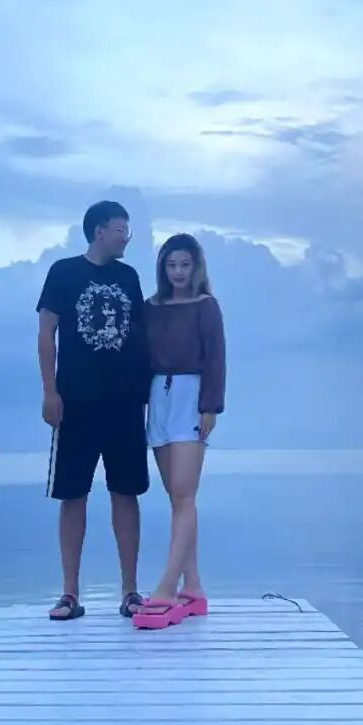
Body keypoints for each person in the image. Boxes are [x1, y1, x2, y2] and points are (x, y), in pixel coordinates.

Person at [37, 200, 151, 621]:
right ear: (100, 231)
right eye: (121, 229)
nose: (127, 237)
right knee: (73, 494)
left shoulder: (128, 277)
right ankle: (69, 593)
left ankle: (130, 591)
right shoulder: (63, 273)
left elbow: (142, 335)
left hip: (125, 404)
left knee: (126, 492)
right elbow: (46, 334)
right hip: (76, 403)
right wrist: (50, 392)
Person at [132, 232, 225, 630]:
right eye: (171, 265)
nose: (178, 272)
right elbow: (139, 355)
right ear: (163, 268)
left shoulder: (206, 306)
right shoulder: (151, 307)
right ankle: (194, 586)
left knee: (185, 494)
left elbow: (216, 356)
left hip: (191, 395)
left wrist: (210, 406)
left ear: (196, 266)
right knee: (176, 497)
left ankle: (168, 587)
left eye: (185, 264)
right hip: (158, 397)